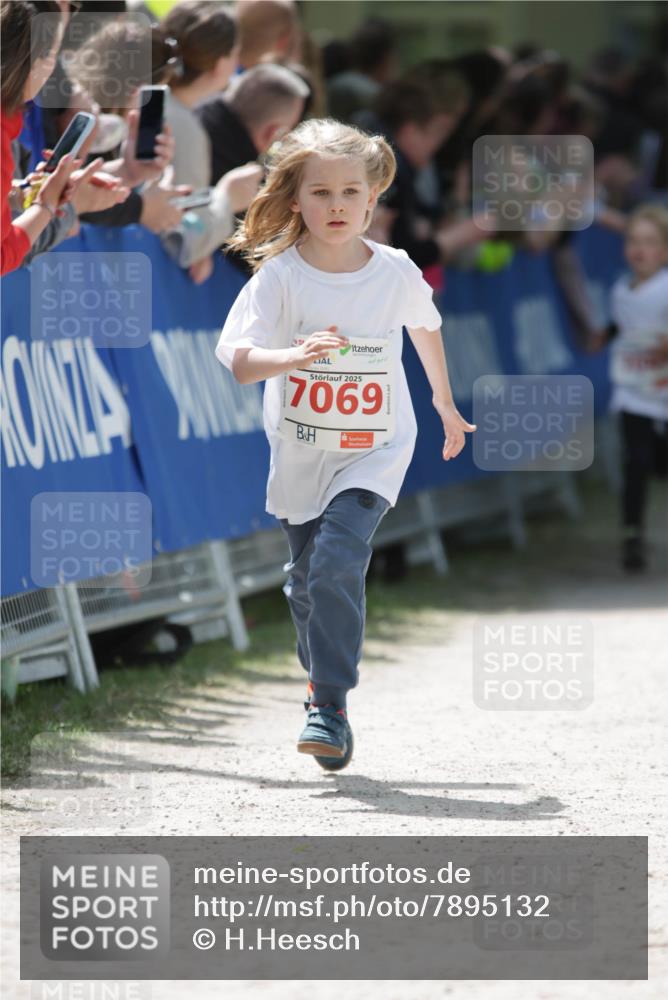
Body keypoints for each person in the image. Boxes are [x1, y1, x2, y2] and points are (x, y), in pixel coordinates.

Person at [214, 118, 475, 769]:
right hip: (302, 453)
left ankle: (329, 707)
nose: (336, 206)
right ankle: (320, 687)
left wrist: (443, 401)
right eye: (321, 193)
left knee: (335, 561)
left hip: (376, 446)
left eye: (350, 193)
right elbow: (241, 363)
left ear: (372, 200)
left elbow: (426, 325)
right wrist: (294, 355)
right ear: (295, 200)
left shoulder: (393, 270)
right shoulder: (279, 278)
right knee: (307, 581)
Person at [597, 205, 668, 572]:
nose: (640, 250)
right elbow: (622, 328)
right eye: (634, 242)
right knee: (635, 461)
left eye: (650, 243)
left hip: (663, 387)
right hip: (633, 388)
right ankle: (632, 536)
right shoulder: (620, 290)